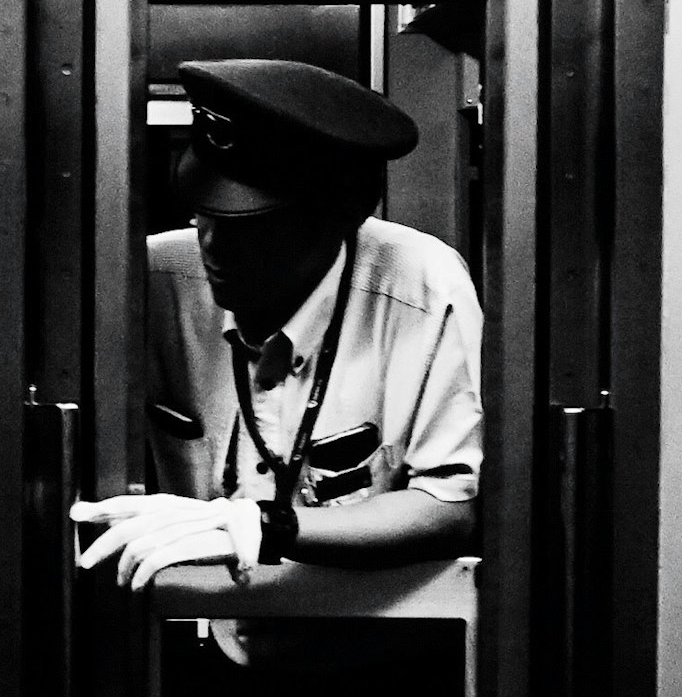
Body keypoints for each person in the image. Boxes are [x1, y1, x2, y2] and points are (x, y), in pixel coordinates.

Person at [71, 57, 483, 590]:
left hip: (368, 633)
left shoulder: (422, 288)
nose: (213, 247)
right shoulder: (149, 284)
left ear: (340, 217)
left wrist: (264, 526)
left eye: (248, 226)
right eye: (205, 218)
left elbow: (449, 508)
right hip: (197, 631)